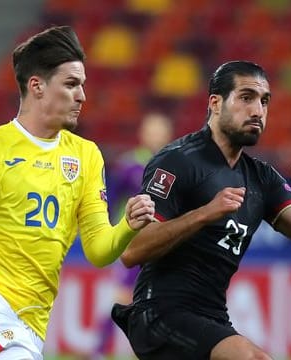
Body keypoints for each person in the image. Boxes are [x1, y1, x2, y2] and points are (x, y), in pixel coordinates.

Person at [0, 25, 155, 360]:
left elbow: (98, 251)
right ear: (36, 86)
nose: (82, 95)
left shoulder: (86, 156)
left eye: (82, 85)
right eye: (70, 84)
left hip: (32, 324)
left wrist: (128, 224)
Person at [111, 60, 291, 360]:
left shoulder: (262, 178)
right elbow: (132, 251)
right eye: (246, 97)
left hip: (212, 317)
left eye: (264, 101)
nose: (258, 111)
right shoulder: (177, 162)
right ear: (215, 103)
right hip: (159, 313)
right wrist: (204, 213)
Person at [92, 112, 173, 359]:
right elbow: (110, 202)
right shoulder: (129, 165)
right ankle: (98, 351)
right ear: (142, 133)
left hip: (164, 245)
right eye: (152, 129)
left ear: (168, 135)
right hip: (134, 245)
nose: (156, 135)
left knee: (164, 301)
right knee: (123, 298)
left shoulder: (174, 166)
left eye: (160, 130)